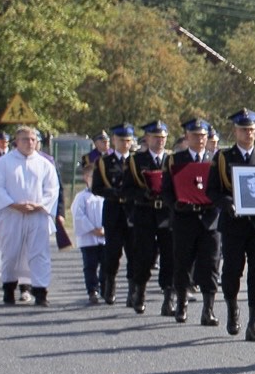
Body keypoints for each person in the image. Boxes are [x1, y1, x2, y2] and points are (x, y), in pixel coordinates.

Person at [214, 109, 255, 342]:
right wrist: (228, 202)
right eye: (243, 129)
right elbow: (214, 191)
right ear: (235, 131)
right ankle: (232, 308)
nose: (248, 133)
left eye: (251, 129)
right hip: (234, 225)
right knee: (231, 271)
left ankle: (254, 323)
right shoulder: (223, 158)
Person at [0, 126, 59, 305]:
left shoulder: (44, 164)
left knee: (39, 254)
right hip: (12, 215)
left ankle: (41, 292)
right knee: (11, 252)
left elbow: (52, 189)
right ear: (16, 142)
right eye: (25, 139)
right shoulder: (4, 162)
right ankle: (9, 288)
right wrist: (13, 204)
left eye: (33, 139)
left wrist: (40, 204)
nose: (30, 143)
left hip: (37, 216)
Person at [167, 117, 221, 325]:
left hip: (209, 219)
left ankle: (208, 310)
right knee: (182, 262)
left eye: (203, 136)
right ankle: (181, 305)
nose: (200, 140)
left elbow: (220, 188)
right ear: (187, 136)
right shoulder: (175, 160)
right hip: (184, 219)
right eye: (195, 135)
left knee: (210, 264)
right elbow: (167, 190)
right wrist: (176, 204)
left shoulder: (215, 160)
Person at [123, 121, 176, 315]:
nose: (160, 141)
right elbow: (126, 189)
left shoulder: (172, 160)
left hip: (166, 214)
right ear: (147, 138)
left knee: (169, 256)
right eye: (156, 137)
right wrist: (141, 194)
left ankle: (168, 298)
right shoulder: (136, 161)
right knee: (143, 255)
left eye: (163, 137)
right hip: (145, 212)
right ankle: (140, 292)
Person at [90, 124, 134, 304]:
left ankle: (133, 290)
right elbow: (96, 188)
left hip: (132, 211)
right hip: (113, 211)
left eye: (128, 140)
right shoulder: (104, 162)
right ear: (114, 140)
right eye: (122, 140)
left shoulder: (135, 161)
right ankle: (110, 285)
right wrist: (113, 193)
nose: (125, 144)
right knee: (112, 253)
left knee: (134, 252)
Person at [69, 156, 105, 303]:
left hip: (104, 237)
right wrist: (92, 229)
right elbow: (78, 216)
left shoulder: (105, 196)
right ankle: (92, 290)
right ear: (86, 178)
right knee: (90, 265)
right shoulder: (81, 197)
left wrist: (105, 228)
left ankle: (105, 288)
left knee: (106, 265)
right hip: (89, 239)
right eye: (92, 176)